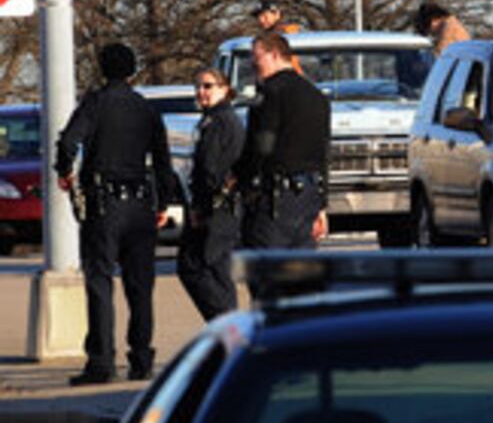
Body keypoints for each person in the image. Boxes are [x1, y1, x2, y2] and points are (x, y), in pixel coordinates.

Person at [54, 43, 176, 385]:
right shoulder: (145, 109)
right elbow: (163, 161)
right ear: (133, 70)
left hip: (103, 204)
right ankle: (141, 358)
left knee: (100, 281)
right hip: (140, 202)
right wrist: (163, 202)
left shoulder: (94, 103)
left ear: (102, 68)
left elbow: (67, 143)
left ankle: (102, 361)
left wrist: (64, 171)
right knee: (140, 286)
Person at [235, 32, 331, 249]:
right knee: (301, 273)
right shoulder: (317, 96)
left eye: (256, 57)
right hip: (309, 195)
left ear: (275, 55)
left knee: (266, 273)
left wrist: (243, 180)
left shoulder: (270, 93)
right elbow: (323, 153)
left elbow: (262, 146)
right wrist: (322, 205)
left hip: (274, 198)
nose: (253, 64)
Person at [176, 68, 245, 321]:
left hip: (218, 208)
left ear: (224, 89)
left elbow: (211, 169)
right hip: (217, 206)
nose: (201, 92)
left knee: (199, 268)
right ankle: (226, 329)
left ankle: (228, 327)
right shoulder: (213, 120)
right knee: (212, 270)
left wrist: (201, 207)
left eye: (208, 86)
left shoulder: (222, 121)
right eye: (198, 86)